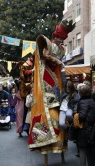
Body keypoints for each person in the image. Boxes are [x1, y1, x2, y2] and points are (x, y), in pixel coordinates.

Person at [28, 18, 75, 156]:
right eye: (60, 37)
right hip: (47, 77)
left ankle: (60, 137)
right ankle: (43, 137)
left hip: (56, 79)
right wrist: (57, 60)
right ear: (56, 36)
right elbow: (44, 55)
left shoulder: (62, 48)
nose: (61, 40)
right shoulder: (49, 44)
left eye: (63, 38)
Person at [76, 84, 95, 166]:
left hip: (84, 128)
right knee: (90, 153)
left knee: (83, 150)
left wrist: (76, 115)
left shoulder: (82, 101)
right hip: (91, 129)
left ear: (81, 93)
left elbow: (82, 116)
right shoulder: (92, 100)